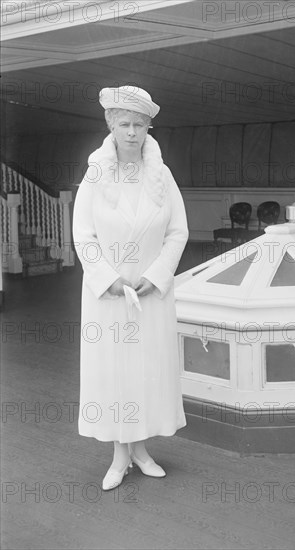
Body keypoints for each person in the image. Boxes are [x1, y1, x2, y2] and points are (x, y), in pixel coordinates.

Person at [72, 85, 189, 491]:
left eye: (140, 124)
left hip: (150, 294)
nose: (132, 132)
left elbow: (178, 232)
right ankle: (119, 457)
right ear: (111, 125)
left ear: (148, 126)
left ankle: (140, 450)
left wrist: (155, 276)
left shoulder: (162, 174)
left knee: (146, 373)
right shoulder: (95, 173)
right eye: (124, 124)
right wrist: (109, 278)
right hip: (109, 297)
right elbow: (83, 235)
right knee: (115, 374)